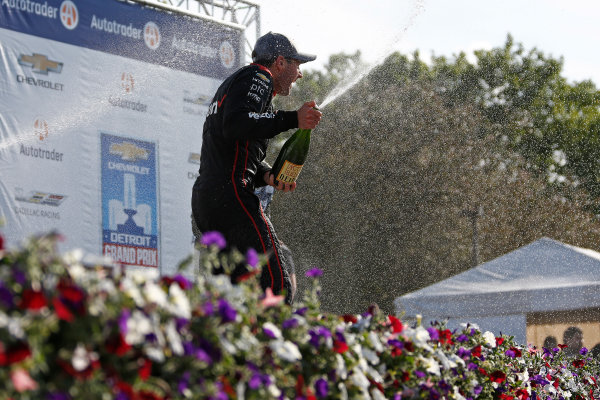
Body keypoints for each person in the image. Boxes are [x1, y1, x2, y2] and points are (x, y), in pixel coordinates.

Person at [191, 32, 321, 304]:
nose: (300, 75)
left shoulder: (237, 83)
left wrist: (267, 176)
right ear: (281, 63)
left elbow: (234, 145)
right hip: (232, 198)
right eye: (298, 65)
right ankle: (270, 344)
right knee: (277, 287)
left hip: (209, 200)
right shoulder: (258, 76)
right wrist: (294, 119)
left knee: (235, 293)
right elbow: (237, 124)